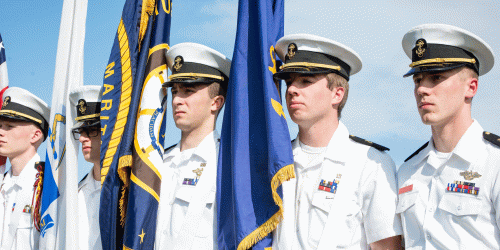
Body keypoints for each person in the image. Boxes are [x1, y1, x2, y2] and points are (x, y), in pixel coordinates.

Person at [271, 34, 402, 250]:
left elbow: (387, 247)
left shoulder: (370, 164)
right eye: (289, 82)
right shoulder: (277, 163)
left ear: (337, 94)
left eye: (306, 81)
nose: (292, 90)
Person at [397, 23, 499, 249]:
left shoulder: (496, 162)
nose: (422, 89)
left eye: (435, 78)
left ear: (471, 87)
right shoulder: (407, 171)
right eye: (417, 80)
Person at [154, 42, 230, 249]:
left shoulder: (227, 165)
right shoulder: (156, 163)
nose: (177, 100)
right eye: (175, 91)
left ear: (216, 102)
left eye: (188, 91)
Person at [0, 87, 50, 249]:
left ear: (35, 135)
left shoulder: (48, 187)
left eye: (9, 126)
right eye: (0, 126)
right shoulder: (3, 184)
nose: (1, 132)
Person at [69, 85, 103, 250]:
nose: (82, 138)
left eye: (91, 130)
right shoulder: (76, 193)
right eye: (81, 131)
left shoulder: (131, 190)